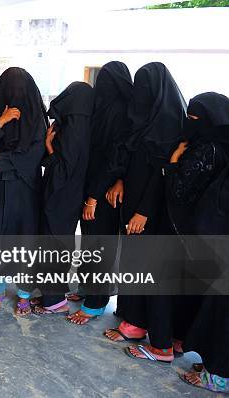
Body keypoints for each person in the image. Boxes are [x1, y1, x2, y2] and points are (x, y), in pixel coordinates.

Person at [103, 62, 186, 363]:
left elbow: (160, 176)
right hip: (133, 200)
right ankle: (132, 315)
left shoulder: (169, 125)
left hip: (149, 210)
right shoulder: (145, 120)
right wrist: (121, 179)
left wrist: (143, 212)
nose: (139, 94)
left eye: (144, 88)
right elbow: (131, 157)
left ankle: (137, 325)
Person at [0, 67, 47, 315]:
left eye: (20, 90)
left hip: (25, 190)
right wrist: (0, 123)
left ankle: (25, 292)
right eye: (10, 89)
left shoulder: (36, 120)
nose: (15, 95)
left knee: (24, 239)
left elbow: (34, 155)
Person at [164, 92, 229, 392]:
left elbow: (179, 191)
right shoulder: (222, 146)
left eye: (195, 119)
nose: (189, 124)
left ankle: (217, 373)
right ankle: (212, 364)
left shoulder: (207, 150)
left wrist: (174, 162)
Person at [70, 61, 133, 325]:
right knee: (90, 244)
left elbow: (114, 159)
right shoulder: (105, 108)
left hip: (104, 194)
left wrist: (94, 196)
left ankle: (96, 303)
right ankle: (87, 291)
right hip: (94, 185)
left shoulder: (119, 114)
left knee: (100, 248)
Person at [36, 81, 94, 315]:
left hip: (61, 195)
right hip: (70, 195)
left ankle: (54, 301)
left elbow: (63, 168)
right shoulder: (85, 126)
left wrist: (49, 146)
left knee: (53, 244)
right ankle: (52, 295)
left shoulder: (73, 130)